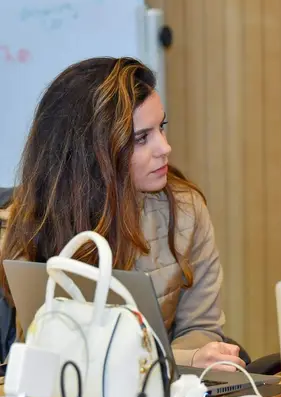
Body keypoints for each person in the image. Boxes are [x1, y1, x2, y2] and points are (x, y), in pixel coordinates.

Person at [0, 57, 244, 370]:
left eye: (161, 128)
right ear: (92, 152)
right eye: (142, 138)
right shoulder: (29, 222)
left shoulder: (185, 210)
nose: (164, 148)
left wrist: (191, 358)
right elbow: (48, 347)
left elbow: (200, 330)